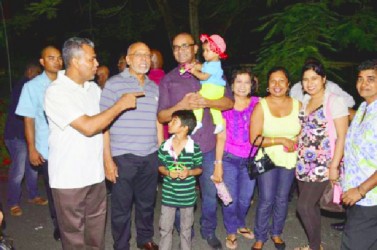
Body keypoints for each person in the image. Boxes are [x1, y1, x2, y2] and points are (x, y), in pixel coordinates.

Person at [44, 37, 142, 249]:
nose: (97, 64)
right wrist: (120, 105)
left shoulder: (93, 90)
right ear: (75, 62)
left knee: (96, 237)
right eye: (92, 59)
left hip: (95, 176)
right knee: (74, 239)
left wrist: (107, 161)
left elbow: (103, 126)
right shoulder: (56, 91)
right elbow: (88, 126)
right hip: (69, 179)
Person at [158, 32, 234, 250]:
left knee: (210, 193)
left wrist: (208, 101)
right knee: (180, 194)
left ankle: (208, 230)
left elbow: (228, 102)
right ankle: (185, 231)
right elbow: (162, 116)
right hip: (180, 150)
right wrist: (180, 105)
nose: (180, 50)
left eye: (185, 46)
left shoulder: (212, 69)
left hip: (208, 146)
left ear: (194, 48)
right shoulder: (168, 79)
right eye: (175, 47)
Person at [100, 42, 162, 250]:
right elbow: (103, 124)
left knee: (147, 203)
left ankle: (145, 239)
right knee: (121, 207)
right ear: (128, 59)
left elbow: (157, 121)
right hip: (122, 156)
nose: (144, 59)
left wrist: (160, 151)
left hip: (150, 154)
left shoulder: (154, 87)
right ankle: (121, 244)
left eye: (148, 55)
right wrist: (107, 159)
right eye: (139, 55)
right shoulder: (113, 84)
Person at [294, 60, 349, 250]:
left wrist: (334, 166)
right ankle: (314, 244)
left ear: (323, 79)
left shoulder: (335, 101)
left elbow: (342, 136)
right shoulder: (307, 101)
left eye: (314, 78)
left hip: (323, 164)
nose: (310, 83)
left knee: (304, 206)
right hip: (302, 163)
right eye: (306, 79)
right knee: (312, 206)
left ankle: (315, 246)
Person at [250, 67, 301, 250]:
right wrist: (281, 140)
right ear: (268, 85)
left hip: (289, 159)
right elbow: (254, 139)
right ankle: (260, 236)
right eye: (273, 81)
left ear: (288, 85)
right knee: (266, 199)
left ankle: (277, 233)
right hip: (267, 160)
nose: (277, 85)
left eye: (281, 81)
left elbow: (305, 133)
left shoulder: (298, 105)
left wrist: (296, 142)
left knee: (282, 198)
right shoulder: (261, 106)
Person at [15, 47, 63, 240]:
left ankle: (76, 222)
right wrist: (32, 148)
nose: (57, 61)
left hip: (71, 146)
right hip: (47, 148)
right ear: (42, 62)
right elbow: (29, 120)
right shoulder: (32, 87)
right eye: (51, 58)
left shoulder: (69, 82)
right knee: (54, 191)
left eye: (59, 58)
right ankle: (59, 224)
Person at [212, 68, 259, 249]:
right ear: (231, 85)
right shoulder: (226, 105)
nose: (242, 86)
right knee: (229, 198)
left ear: (251, 85)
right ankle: (232, 231)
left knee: (246, 198)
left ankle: (240, 224)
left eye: (246, 82)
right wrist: (218, 164)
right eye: (238, 81)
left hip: (250, 160)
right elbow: (221, 137)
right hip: (229, 158)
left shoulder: (258, 103)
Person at [341, 59, 377, 250]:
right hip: (356, 193)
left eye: (371, 79)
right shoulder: (365, 107)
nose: (364, 84)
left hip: (370, 197)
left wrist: (361, 190)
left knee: (352, 244)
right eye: (360, 78)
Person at [158, 110, 203, 250]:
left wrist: (189, 172)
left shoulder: (194, 148)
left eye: (174, 121)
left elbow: (199, 168)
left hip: (187, 196)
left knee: (186, 229)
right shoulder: (165, 146)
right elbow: (160, 166)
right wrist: (167, 172)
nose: (169, 123)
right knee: (165, 228)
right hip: (168, 195)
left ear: (185, 127)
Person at [4, 62, 42, 217]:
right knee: (18, 170)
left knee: (32, 167)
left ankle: (33, 195)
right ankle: (13, 202)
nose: (39, 76)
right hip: (15, 136)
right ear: (30, 71)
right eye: (38, 73)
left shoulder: (29, 86)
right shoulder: (24, 86)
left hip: (26, 136)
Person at [189, 34, 228, 135]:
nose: (204, 53)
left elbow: (204, 76)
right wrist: (193, 65)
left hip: (213, 88)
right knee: (214, 108)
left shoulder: (214, 65)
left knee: (198, 99)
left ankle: (197, 121)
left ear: (217, 52)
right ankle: (219, 124)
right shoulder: (210, 63)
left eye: (207, 50)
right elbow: (201, 66)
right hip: (216, 89)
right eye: (203, 50)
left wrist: (194, 72)